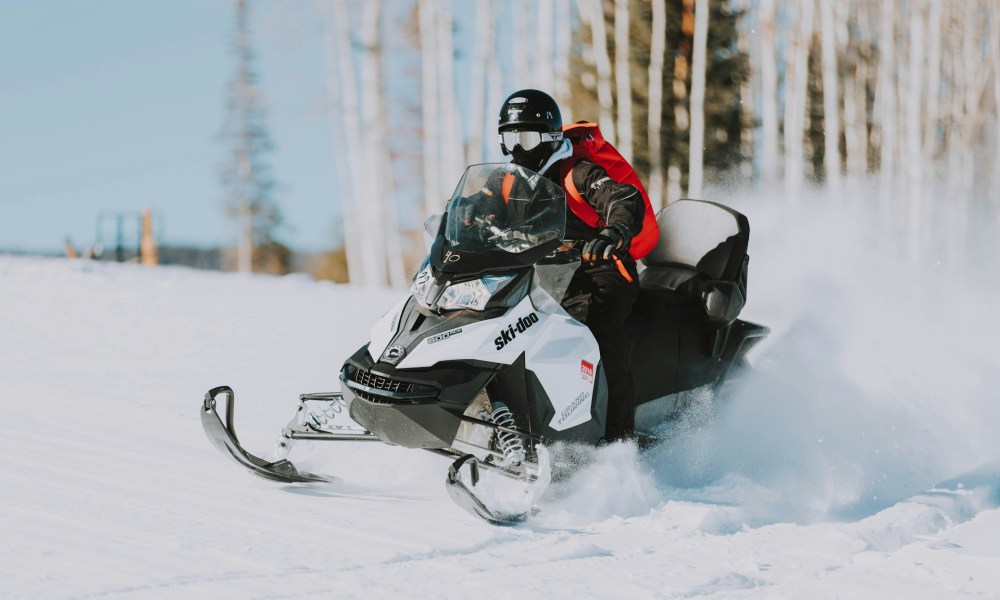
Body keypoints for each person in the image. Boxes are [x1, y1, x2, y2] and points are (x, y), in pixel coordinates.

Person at [496, 89, 645, 442]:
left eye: (526, 138)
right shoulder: (506, 182)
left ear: (548, 138)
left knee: (596, 331)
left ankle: (616, 439)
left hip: (601, 271)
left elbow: (620, 196)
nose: (517, 149)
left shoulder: (576, 172)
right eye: (509, 138)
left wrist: (614, 230)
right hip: (544, 277)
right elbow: (477, 209)